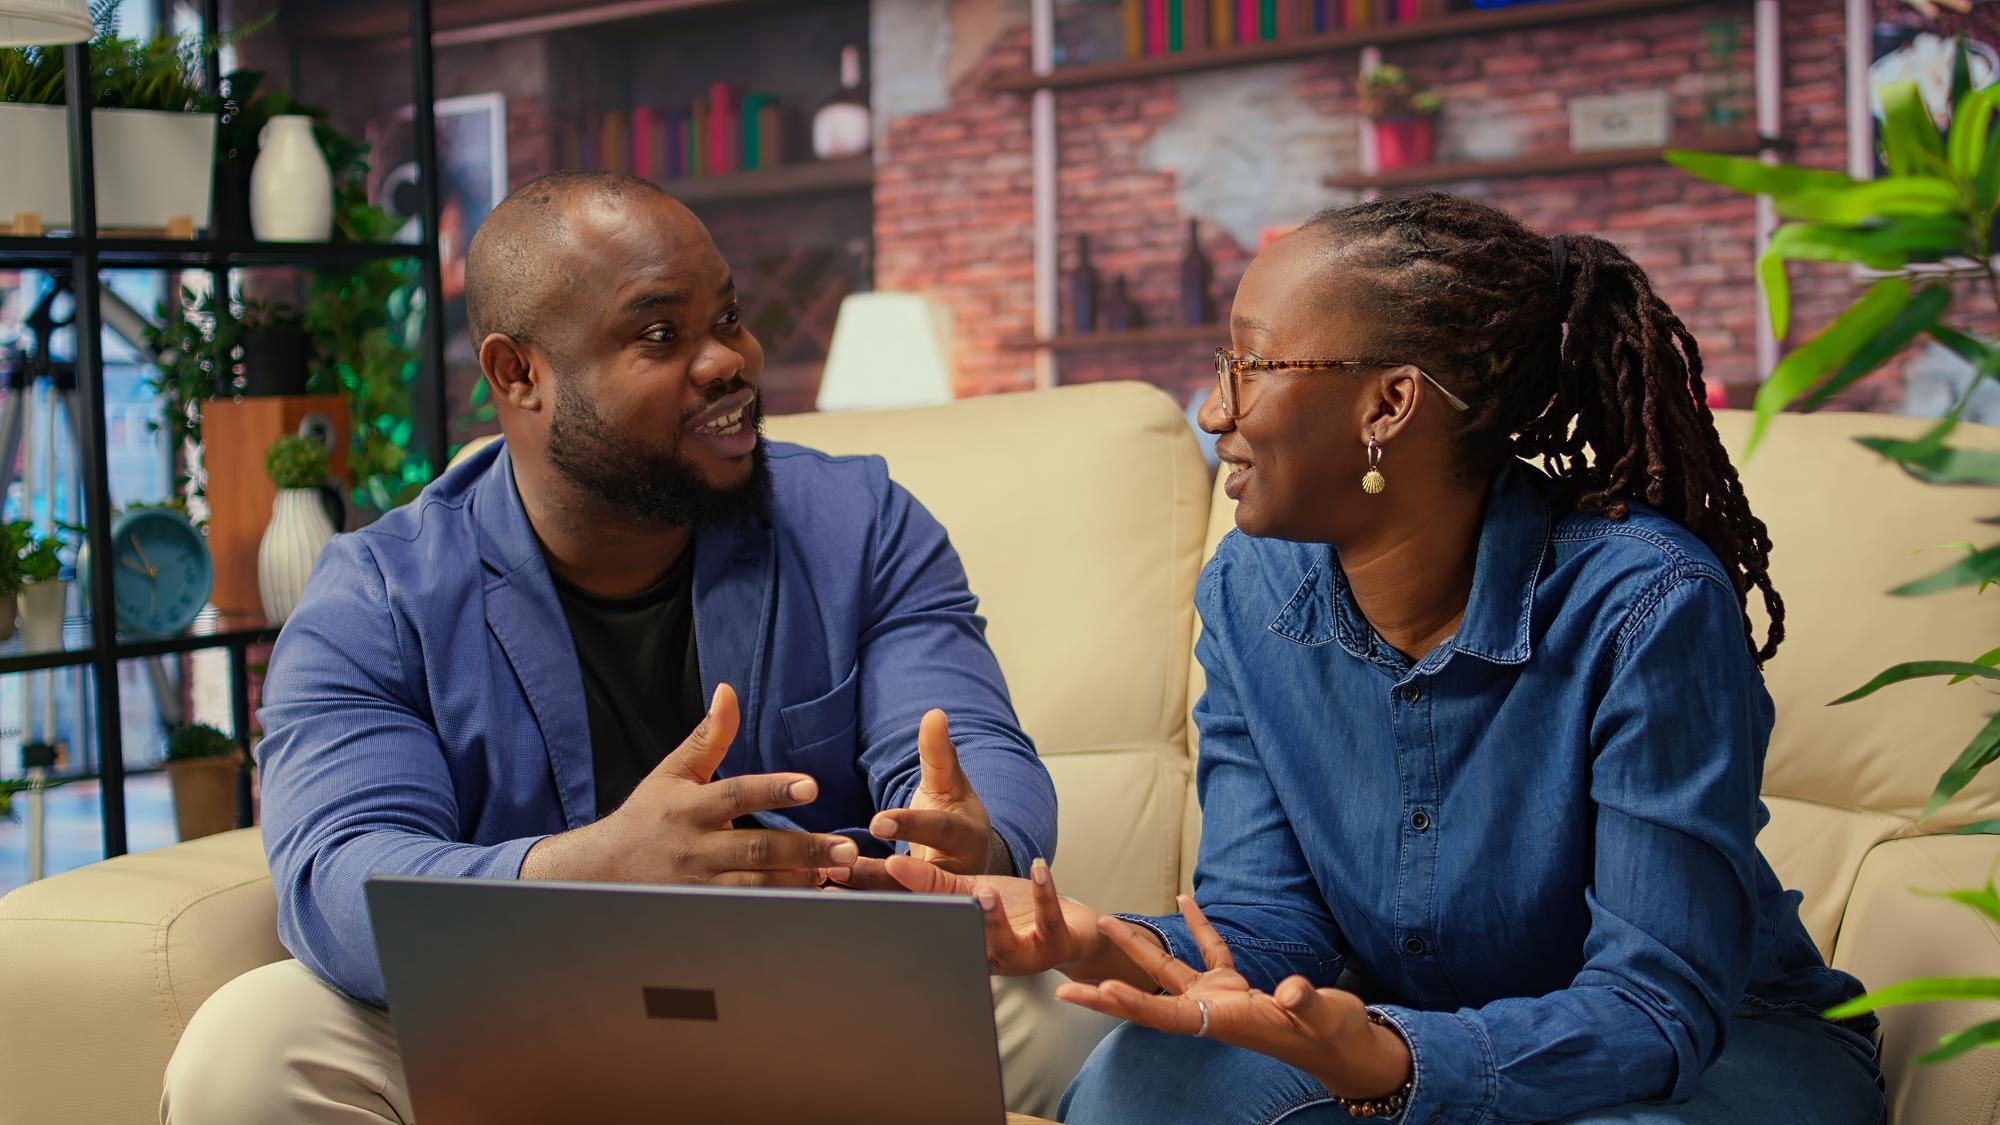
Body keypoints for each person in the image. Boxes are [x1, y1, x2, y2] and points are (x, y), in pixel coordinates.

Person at [888, 192, 1887, 1123]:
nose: (1215, 411)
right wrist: (1103, 938)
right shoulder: (1248, 590)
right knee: (1140, 1086)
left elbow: (1655, 1006)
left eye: (1250, 365)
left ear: (1388, 404)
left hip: (1712, 1052)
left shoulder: (1645, 602)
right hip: (1404, 1033)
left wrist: (1393, 1061)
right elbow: (1265, 921)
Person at [161, 170, 1069, 1122]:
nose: (729, 361)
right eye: (662, 334)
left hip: (828, 992)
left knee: (1072, 1017)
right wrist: (589, 873)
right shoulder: (378, 596)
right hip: (525, 1008)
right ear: (518, 374)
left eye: (729, 318)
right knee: (250, 1048)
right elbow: (339, 877)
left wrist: (973, 835)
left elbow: (973, 749)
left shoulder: (861, 521)